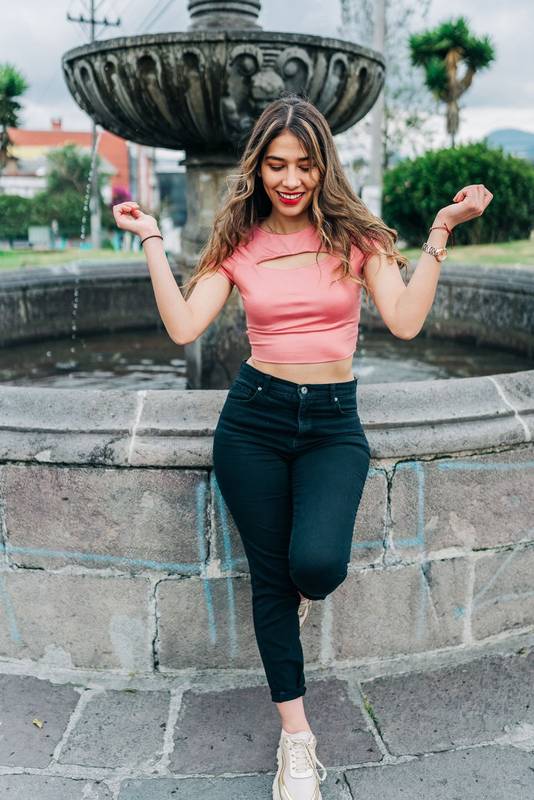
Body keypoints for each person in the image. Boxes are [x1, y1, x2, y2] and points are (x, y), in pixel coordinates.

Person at [113, 94, 493, 800]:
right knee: (272, 580)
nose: (290, 179)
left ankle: (299, 589)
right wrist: (151, 239)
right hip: (252, 422)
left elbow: (406, 321)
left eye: (305, 165)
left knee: (314, 567)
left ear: (324, 167)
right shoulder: (238, 243)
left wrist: (441, 228)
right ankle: (297, 739)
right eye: (276, 165)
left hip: (332, 425)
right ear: (257, 168)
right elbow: (184, 328)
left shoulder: (358, 239)